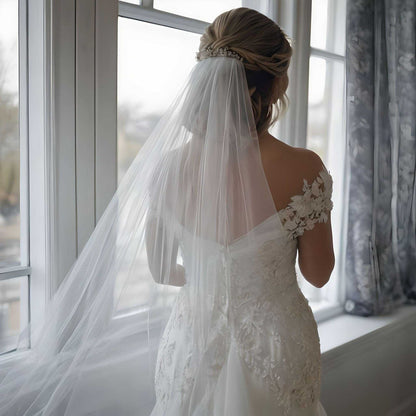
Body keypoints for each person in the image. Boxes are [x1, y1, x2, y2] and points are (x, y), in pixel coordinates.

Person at [0, 7, 333, 416]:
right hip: (276, 343)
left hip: (193, 341)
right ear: (274, 84)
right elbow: (318, 275)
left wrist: (213, 279)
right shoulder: (304, 168)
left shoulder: (169, 167)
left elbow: (160, 269)